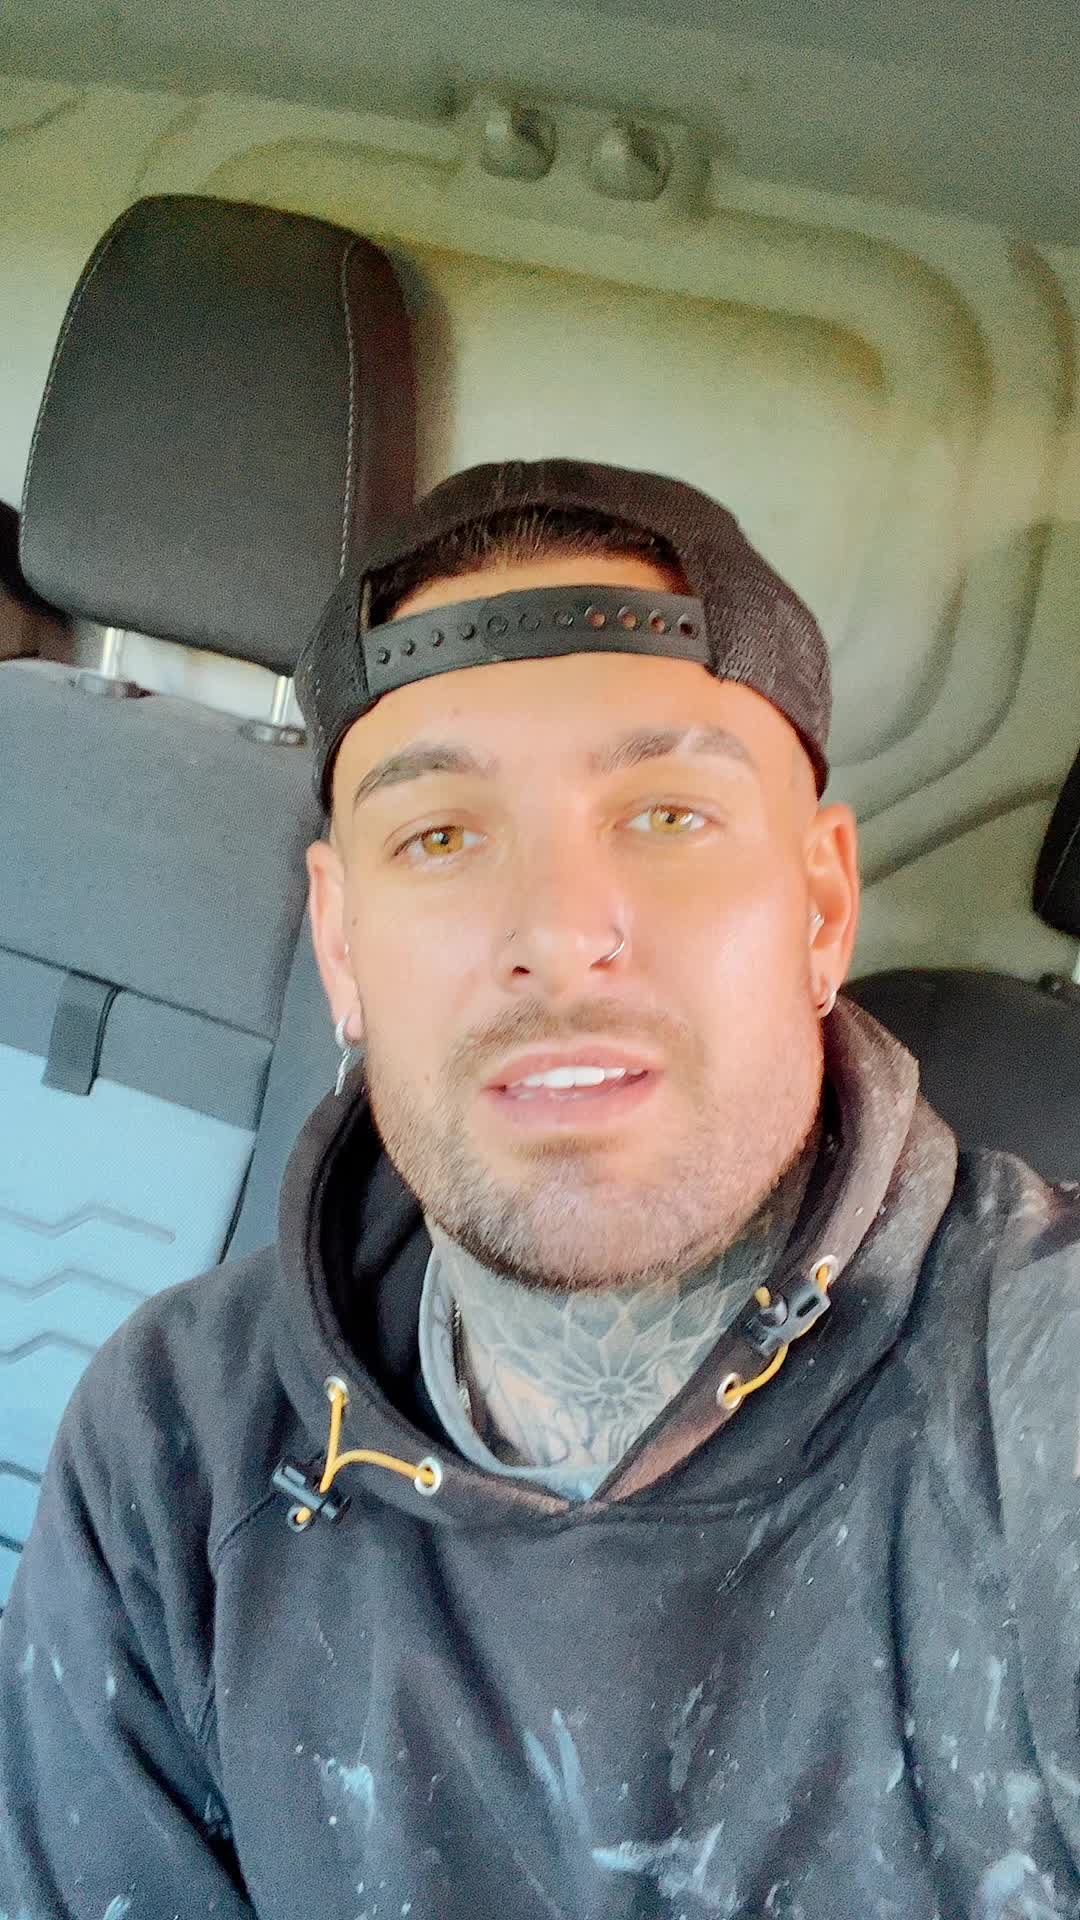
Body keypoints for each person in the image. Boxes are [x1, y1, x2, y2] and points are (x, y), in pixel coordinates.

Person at [2, 458, 1079, 1920]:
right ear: (342, 948)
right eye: (440, 836)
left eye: (668, 815)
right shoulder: (174, 1449)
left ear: (823, 908)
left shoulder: (1040, 1404)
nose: (560, 932)